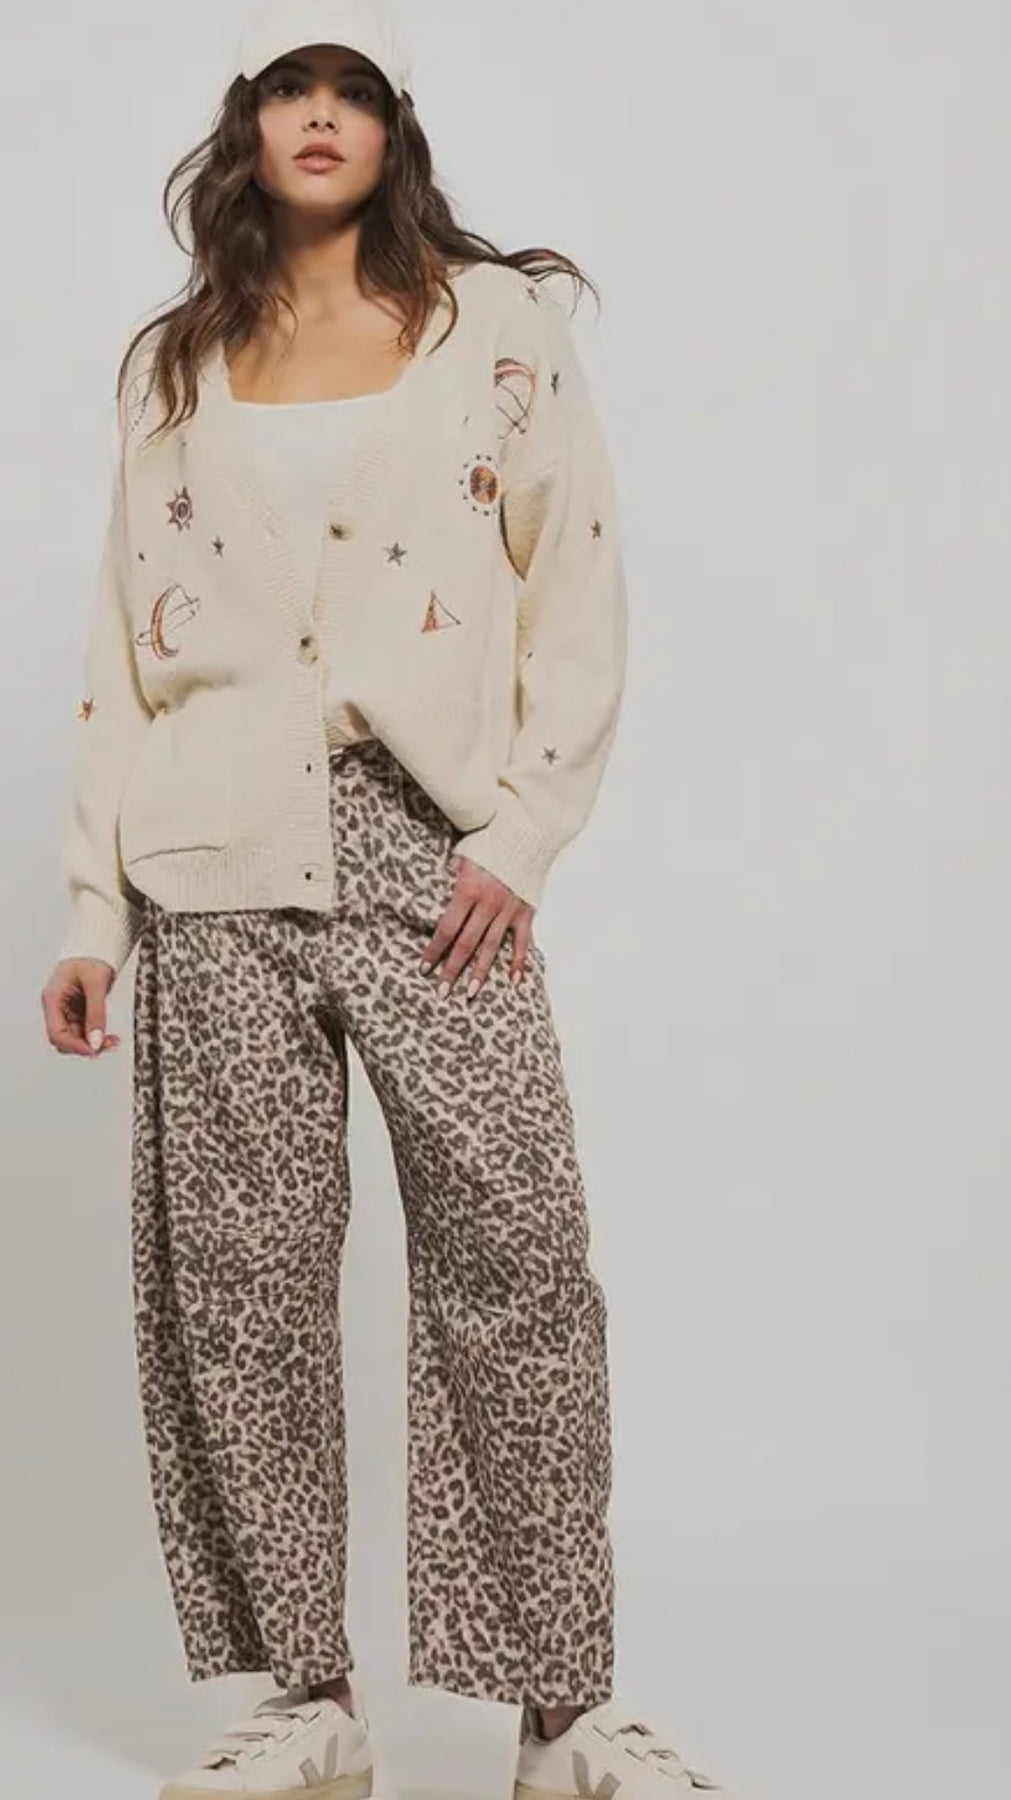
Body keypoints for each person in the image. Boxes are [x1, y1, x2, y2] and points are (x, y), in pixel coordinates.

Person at [41, 1, 742, 1796]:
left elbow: (577, 581)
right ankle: (308, 1700)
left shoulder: (492, 328)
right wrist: (92, 913)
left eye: (352, 90)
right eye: (291, 87)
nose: (321, 116)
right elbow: (123, 650)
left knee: (519, 1255)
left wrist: (521, 835)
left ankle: (562, 1710)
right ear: (247, 121)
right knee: (245, 1287)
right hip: (210, 861)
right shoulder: (176, 363)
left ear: (394, 123)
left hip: (431, 851)